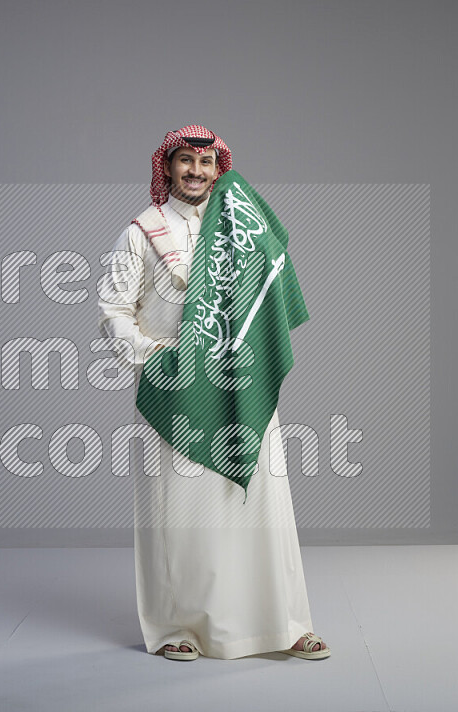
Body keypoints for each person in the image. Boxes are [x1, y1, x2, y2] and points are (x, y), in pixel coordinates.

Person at [97, 125, 329, 661]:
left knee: (263, 506)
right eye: (185, 161)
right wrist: (156, 359)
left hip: (239, 380)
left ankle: (287, 623)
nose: (196, 172)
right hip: (174, 387)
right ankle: (178, 629)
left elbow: (271, 283)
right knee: (178, 512)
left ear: (218, 167)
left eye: (206, 163)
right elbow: (112, 309)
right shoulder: (143, 231)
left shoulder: (239, 226)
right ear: (168, 167)